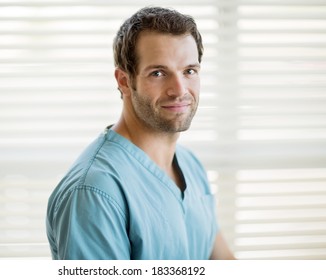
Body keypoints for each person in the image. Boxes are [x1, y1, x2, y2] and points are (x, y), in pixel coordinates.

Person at [46, 6, 235, 260]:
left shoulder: (191, 166)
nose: (179, 89)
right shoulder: (94, 191)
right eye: (158, 73)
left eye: (189, 71)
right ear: (124, 81)